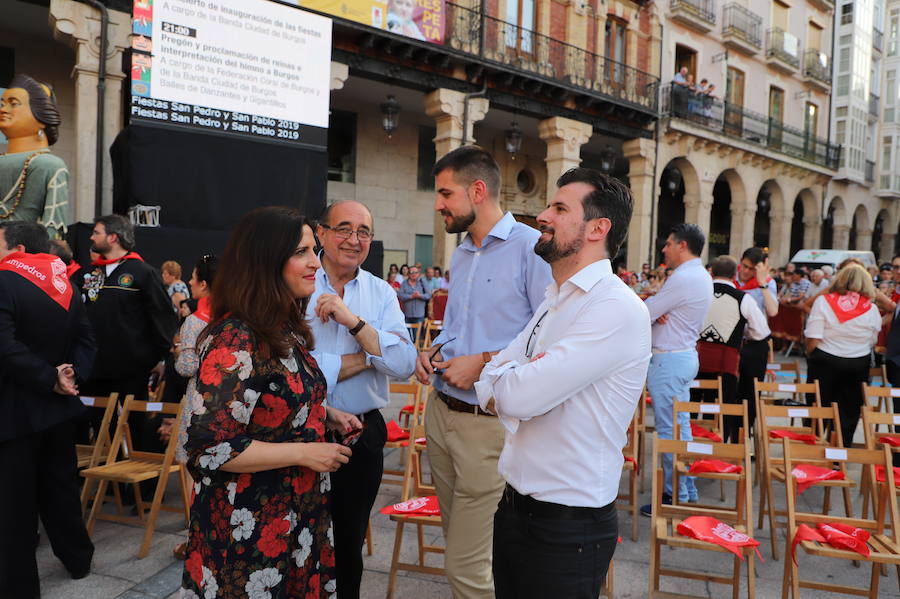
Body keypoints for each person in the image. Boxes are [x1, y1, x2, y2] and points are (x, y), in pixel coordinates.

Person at [476, 168, 650, 599]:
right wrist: (510, 384)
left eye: (559, 207)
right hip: (515, 510)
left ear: (597, 228)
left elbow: (519, 394)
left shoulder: (614, 307)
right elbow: (490, 377)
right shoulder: (556, 298)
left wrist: (510, 386)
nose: (542, 215)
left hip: (567, 527)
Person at [181, 207, 359, 599]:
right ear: (267, 261)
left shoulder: (279, 327)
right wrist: (304, 452)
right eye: (303, 252)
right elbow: (209, 447)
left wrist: (324, 414)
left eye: (314, 250)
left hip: (295, 517)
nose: (316, 262)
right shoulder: (235, 338)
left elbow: (271, 396)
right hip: (251, 528)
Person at [415, 146, 552, 599]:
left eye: (445, 193)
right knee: (465, 547)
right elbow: (459, 330)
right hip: (441, 415)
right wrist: (433, 352)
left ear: (477, 190)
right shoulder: (462, 255)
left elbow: (548, 342)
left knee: (465, 567)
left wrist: (484, 363)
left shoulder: (531, 249)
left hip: (487, 427)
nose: (438, 205)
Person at [307, 200, 416, 599]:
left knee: (347, 543)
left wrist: (352, 321)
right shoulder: (297, 280)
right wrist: (370, 354)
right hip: (298, 429)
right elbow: (291, 367)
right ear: (321, 232)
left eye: (364, 231)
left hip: (361, 434)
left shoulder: (380, 292)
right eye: (344, 228)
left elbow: (404, 363)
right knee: (292, 537)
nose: (354, 240)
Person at [0, 221, 95, 597]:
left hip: (14, 411)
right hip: (59, 409)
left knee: (14, 506)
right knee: (60, 491)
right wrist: (72, 378)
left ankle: (18, 587)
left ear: (18, 248)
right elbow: (87, 340)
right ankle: (78, 559)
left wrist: (48, 378)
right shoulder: (64, 283)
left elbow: (3, 346)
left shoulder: (4, 281)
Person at [74, 214, 177, 455]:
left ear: (113, 237)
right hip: (94, 367)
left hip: (130, 368)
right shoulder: (88, 273)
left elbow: (162, 317)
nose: (91, 236)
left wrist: (161, 358)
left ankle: (137, 488)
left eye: (96, 232)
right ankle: (109, 484)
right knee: (101, 428)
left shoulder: (142, 272)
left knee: (134, 426)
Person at [641, 224, 712, 515]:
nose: (664, 249)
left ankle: (673, 494)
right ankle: (685, 487)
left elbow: (646, 312)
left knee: (671, 430)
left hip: (669, 359)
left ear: (682, 245)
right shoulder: (698, 274)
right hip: (680, 356)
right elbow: (656, 312)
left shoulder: (684, 277)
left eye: (668, 243)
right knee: (680, 426)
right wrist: (656, 310)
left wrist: (652, 308)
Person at [163, 253, 218, 559]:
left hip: (199, 402)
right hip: (229, 402)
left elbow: (186, 367)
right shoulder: (235, 317)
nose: (191, 283)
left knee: (191, 468)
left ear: (205, 285)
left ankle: (195, 536)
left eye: (195, 278)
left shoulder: (194, 322)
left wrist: (177, 352)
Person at [804, 264, 881, 446]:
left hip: (825, 360)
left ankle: (812, 452)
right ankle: (840, 455)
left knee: (817, 407)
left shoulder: (824, 302)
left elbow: (813, 337)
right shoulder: (871, 309)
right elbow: (873, 340)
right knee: (849, 412)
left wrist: (811, 353)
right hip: (857, 363)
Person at [699, 255, 770, 443]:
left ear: (711, 272)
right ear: (735, 274)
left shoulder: (698, 293)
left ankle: (693, 445)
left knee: (692, 406)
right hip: (726, 364)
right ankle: (720, 446)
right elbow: (761, 332)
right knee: (724, 407)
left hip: (696, 361)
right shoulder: (743, 298)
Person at [0, 74, 70, 238]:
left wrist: (44, 255)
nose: (3, 109)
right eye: (2, 103)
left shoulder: (50, 164)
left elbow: (53, 223)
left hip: (24, 253)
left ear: (42, 116)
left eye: (14, 104)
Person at [734, 247, 778, 434]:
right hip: (733, 342)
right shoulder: (732, 280)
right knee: (730, 392)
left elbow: (773, 311)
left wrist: (761, 283)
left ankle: (745, 435)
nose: (745, 272)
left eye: (751, 269)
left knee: (751, 393)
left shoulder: (767, 284)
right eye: (744, 266)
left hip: (755, 345)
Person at [398, 264, 431, 340]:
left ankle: (416, 351)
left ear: (418, 274)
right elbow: (400, 295)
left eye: (415, 272)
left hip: (419, 314)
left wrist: (420, 296)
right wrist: (410, 296)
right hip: (407, 314)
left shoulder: (422, 282)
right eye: (411, 272)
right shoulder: (404, 283)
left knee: (417, 337)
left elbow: (429, 295)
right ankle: (409, 351)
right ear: (408, 274)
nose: (413, 274)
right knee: (407, 337)